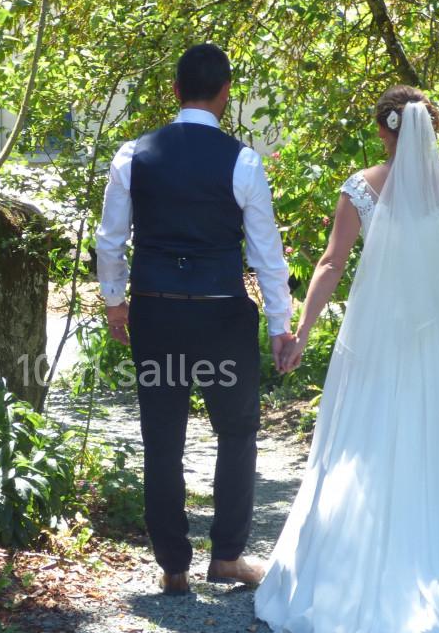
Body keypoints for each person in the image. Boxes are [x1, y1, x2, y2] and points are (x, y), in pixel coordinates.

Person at [255, 85, 439, 633]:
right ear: (435, 128)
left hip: (376, 331)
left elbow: (330, 263)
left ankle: (353, 555)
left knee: (368, 438)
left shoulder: (361, 188)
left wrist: (301, 332)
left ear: (384, 130)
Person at [94, 43, 294, 596]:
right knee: (236, 433)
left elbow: (110, 239)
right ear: (225, 96)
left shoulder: (133, 154)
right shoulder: (244, 161)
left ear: (176, 90)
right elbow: (266, 255)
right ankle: (227, 556)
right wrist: (281, 326)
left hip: (157, 313)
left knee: (162, 438)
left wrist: (115, 301)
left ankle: (173, 566)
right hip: (222, 317)